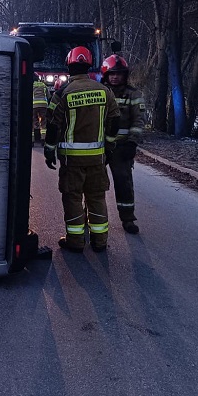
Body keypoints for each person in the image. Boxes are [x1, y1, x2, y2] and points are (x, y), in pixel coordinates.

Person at [44, 47, 120, 252]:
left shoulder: (63, 93)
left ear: (69, 66)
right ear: (88, 66)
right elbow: (114, 121)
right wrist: (110, 147)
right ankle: (100, 241)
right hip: (97, 158)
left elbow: (52, 125)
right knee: (96, 197)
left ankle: (76, 242)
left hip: (72, 161)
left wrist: (49, 151)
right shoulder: (105, 91)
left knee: (73, 197)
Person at [101, 54, 146, 234]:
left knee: (123, 182)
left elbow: (138, 121)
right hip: (101, 147)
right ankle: (90, 216)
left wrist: (132, 144)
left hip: (121, 148)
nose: (115, 77)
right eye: (112, 73)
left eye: (119, 73)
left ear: (125, 75)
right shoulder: (100, 92)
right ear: (106, 74)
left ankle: (128, 218)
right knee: (93, 184)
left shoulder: (133, 94)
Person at [32, 78, 50, 143]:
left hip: (34, 105)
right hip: (43, 105)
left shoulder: (31, 85)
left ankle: (32, 140)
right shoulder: (44, 85)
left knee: (33, 121)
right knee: (43, 122)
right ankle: (43, 139)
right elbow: (49, 96)